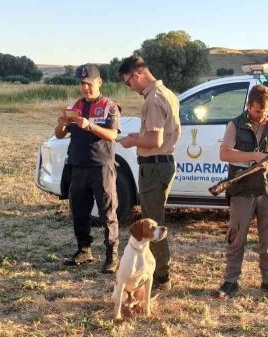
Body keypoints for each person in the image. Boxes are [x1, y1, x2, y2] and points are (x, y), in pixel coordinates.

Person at [216, 84, 268, 301]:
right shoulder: (235, 125)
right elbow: (225, 153)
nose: (263, 116)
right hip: (242, 190)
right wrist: (254, 156)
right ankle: (230, 282)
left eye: (266, 111)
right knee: (236, 237)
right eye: (259, 111)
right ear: (249, 106)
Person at [117, 56, 180, 292]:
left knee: (153, 222)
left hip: (154, 166)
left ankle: (160, 276)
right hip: (162, 164)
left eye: (127, 82)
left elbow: (155, 140)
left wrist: (133, 140)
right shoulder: (167, 93)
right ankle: (157, 271)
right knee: (155, 216)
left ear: (136, 75)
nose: (129, 88)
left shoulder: (153, 99)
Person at [56, 64, 121, 273]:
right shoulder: (74, 105)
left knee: (107, 212)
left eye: (89, 83)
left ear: (99, 82)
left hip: (101, 167)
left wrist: (89, 125)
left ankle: (112, 255)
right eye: (82, 83)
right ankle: (84, 249)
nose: (85, 87)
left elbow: (112, 135)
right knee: (79, 212)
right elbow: (59, 135)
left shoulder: (110, 106)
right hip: (77, 166)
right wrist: (61, 124)